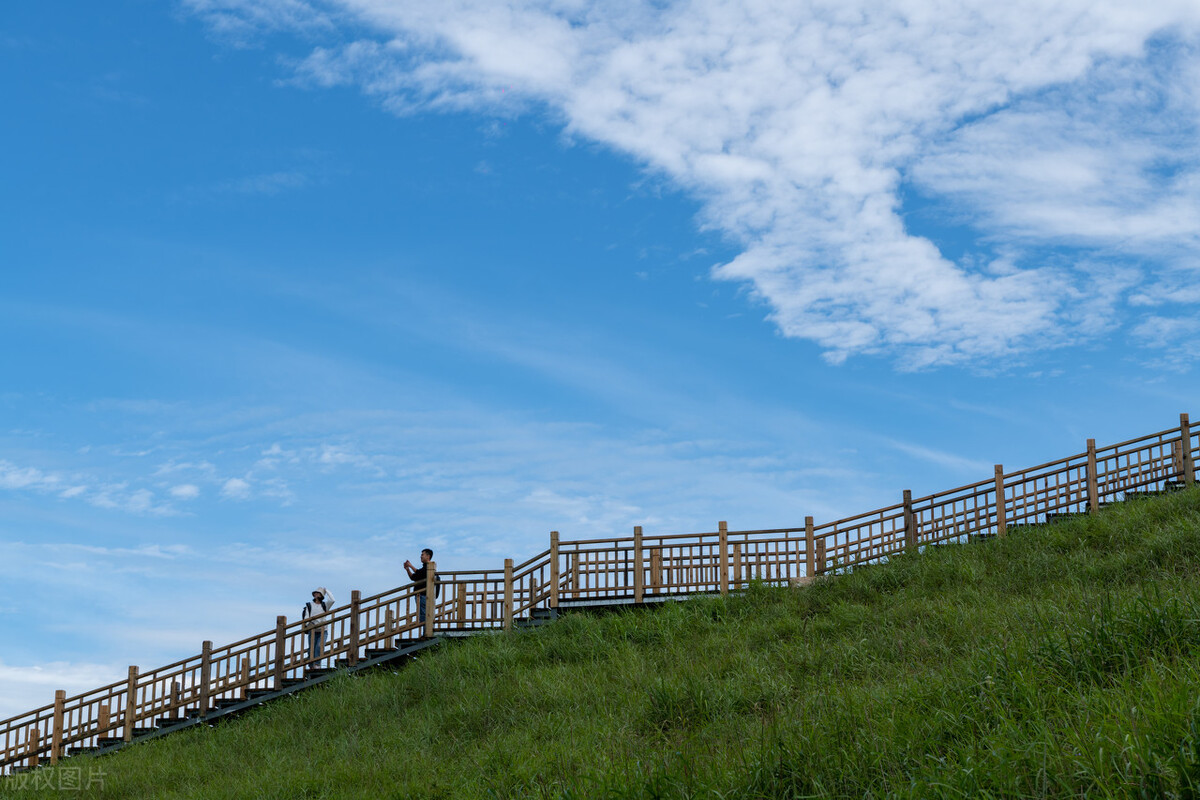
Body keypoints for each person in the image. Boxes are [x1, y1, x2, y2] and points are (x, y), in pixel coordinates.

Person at [403, 549, 438, 624]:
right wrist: (407, 569)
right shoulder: (424, 568)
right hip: (421, 596)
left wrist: (410, 565)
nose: (420, 556)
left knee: (424, 615)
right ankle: (426, 632)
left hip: (424, 595)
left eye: (422, 554)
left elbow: (420, 573)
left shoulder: (429, 566)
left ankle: (426, 632)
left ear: (428, 556)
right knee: (423, 615)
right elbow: (414, 577)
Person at [302, 587, 334, 665]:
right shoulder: (309, 605)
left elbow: (332, 600)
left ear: (322, 595)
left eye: (318, 593)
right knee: (311, 649)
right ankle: (311, 665)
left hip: (323, 629)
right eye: (315, 593)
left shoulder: (325, 605)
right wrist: (308, 624)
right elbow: (306, 617)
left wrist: (327, 591)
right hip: (312, 629)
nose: (316, 594)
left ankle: (317, 664)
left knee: (319, 646)